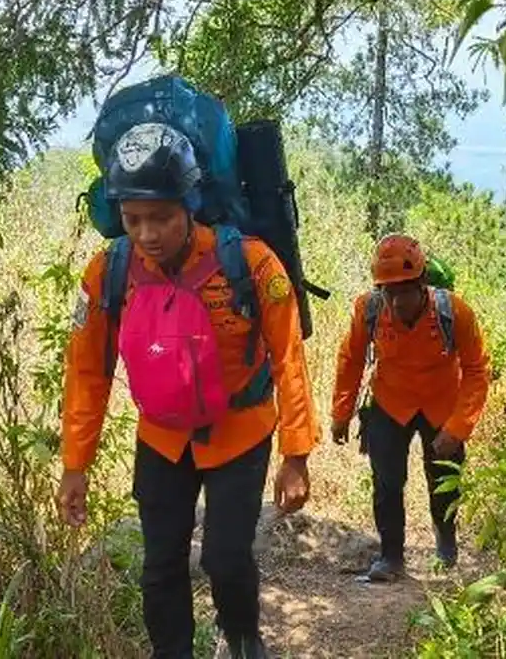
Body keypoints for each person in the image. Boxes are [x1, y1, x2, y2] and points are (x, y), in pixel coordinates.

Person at [57, 123, 320, 658]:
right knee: (160, 568)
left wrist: (296, 455)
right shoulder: (109, 271)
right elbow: (87, 370)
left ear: (191, 204)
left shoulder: (250, 264)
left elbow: (290, 356)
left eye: (162, 218)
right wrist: (75, 463)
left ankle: (244, 640)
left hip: (239, 432)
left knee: (225, 558)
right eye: (133, 220)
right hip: (161, 438)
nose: (148, 233)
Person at [331, 234, 490, 582]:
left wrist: (458, 427)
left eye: (404, 290)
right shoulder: (368, 310)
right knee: (387, 482)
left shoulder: (454, 312)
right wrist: (341, 413)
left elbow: (478, 370)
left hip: (442, 409)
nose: (396, 300)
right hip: (390, 404)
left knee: (444, 480)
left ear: (422, 284)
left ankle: (446, 548)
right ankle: (391, 558)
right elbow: (351, 360)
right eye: (388, 291)